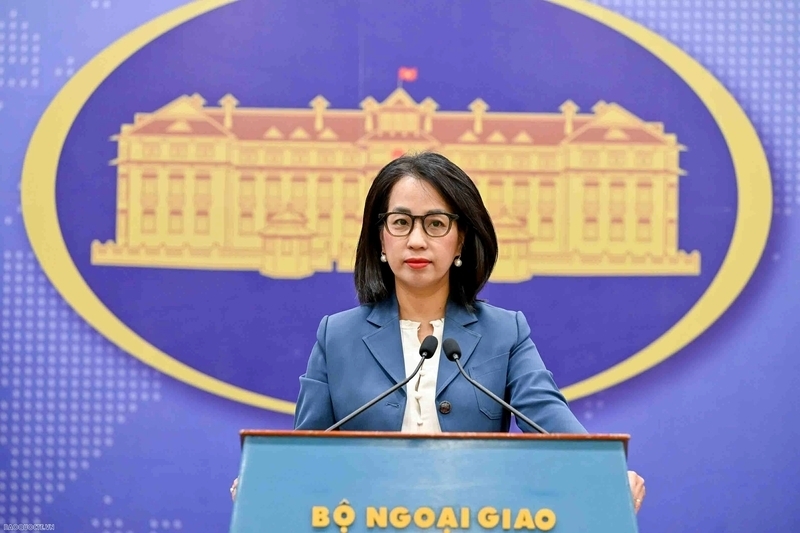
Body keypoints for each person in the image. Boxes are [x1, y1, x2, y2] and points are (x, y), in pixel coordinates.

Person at [233, 152, 645, 511]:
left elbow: (553, 423)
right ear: (380, 237)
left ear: (461, 239)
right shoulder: (336, 336)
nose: (415, 240)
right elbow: (304, 453)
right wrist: (267, 485)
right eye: (400, 222)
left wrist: (606, 476)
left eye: (435, 224)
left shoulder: (506, 333)